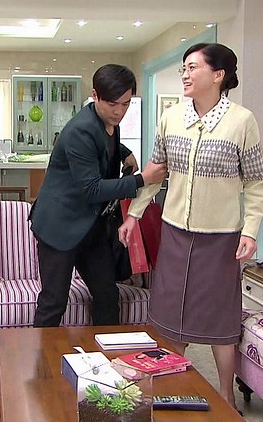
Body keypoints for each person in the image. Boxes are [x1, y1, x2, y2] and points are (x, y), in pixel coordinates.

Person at [119, 43, 263, 412]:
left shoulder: (242, 121)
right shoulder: (171, 118)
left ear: (218, 75)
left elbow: (256, 182)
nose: (185, 75)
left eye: (192, 68)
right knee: (171, 315)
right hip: (174, 232)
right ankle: (172, 388)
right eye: (183, 69)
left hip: (220, 237)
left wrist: (250, 230)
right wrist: (134, 214)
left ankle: (225, 396)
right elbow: (155, 172)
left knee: (220, 316)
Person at [30, 64, 168, 327]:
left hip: (90, 226)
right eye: (112, 104)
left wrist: (124, 151)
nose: (119, 111)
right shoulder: (80, 130)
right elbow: (92, 189)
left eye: (126, 104)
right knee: (54, 301)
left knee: (107, 294)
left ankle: (104, 350)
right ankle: (40, 355)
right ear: (95, 95)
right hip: (59, 226)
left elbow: (103, 145)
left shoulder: (107, 122)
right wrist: (142, 179)